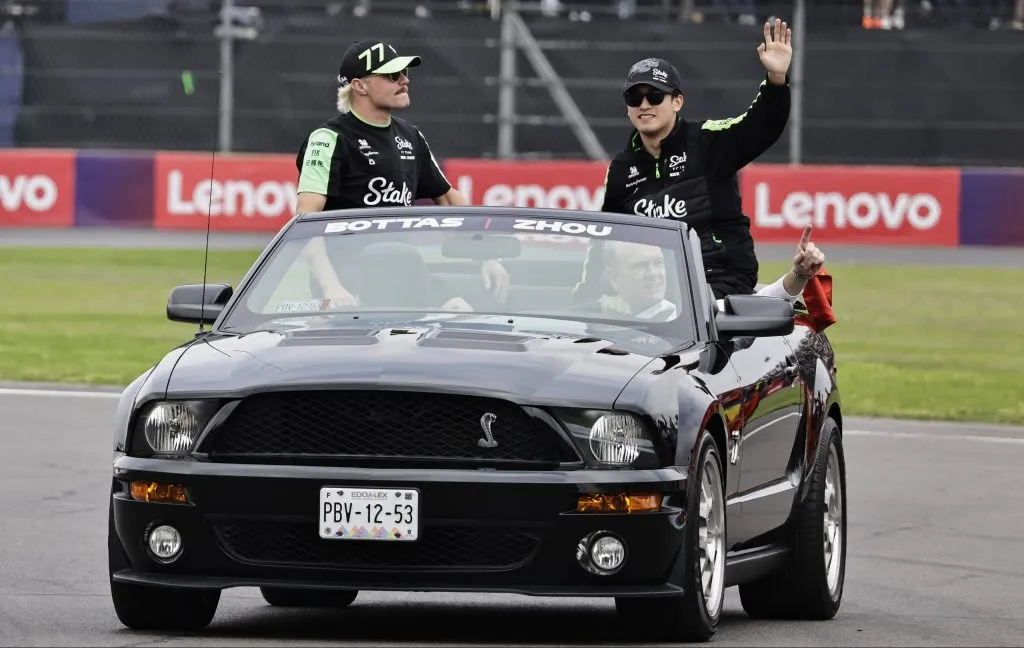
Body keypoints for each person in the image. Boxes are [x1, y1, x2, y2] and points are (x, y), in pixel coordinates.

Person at [588, 18, 793, 303]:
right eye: (634, 97)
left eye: (655, 95)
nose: (644, 105)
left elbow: (760, 127)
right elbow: (605, 242)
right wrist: (586, 295)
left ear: (677, 102)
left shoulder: (707, 141)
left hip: (719, 281)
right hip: (653, 290)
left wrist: (776, 80)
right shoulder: (622, 169)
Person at [292, 38, 509, 307]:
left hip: (402, 278)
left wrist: (486, 256)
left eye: (405, 73)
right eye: (392, 75)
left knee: (470, 308)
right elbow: (305, 221)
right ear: (359, 86)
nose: (404, 80)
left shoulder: (411, 135)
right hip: (348, 293)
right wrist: (331, 288)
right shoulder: (327, 139)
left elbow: (449, 200)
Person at [588, 227, 826, 321]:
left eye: (657, 263)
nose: (653, 274)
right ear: (613, 277)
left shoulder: (692, 315)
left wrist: (800, 274)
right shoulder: (588, 316)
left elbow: (762, 304)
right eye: (640, 266)